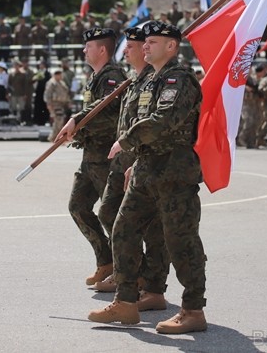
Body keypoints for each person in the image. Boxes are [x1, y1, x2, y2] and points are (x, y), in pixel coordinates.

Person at [88, 21, 207, 334]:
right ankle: (125, 302)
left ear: (171, 46)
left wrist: (126, 140)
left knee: (180, 240)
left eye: (153, 42)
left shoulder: (177, 78)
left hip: (174, 170)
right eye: (146, 42)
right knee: (123, 229)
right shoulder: (151, 79)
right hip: (146, 169)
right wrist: (135, 161)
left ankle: (193, 309)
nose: (145, 47)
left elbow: (163, 121)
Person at [93, 27, 169, 310]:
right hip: (124, 162)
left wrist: (137, 161)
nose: (126, 50)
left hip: (141, 161)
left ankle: (147, 283)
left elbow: (153, 128)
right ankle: (133, 273)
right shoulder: (136, 81)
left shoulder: (155, 81)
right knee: (109, 212)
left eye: (133, 46)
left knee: (150, 228)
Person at [56, 28, 126, 286]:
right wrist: (77, 130)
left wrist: (77, 122)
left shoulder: (113, 76)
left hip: (107, 158)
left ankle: (128, 271)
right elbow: (92, 112)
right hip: (90, 157)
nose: (84, 50)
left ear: (102, 50)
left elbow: (107, 114)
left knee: (113, 215)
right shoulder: (95, 76)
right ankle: (105, 261)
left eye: (89, 46)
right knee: (78, 207)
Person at [44, 70, 70, 142]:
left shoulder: (61, 83)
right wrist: (49, 104)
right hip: (54, 104)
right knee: (58, 119)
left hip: (61, 104)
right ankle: (54, 137)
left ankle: (56, 137)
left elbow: (65, 93)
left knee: (59, 120)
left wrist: (68, 102)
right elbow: (48, 94)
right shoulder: (52, 83)